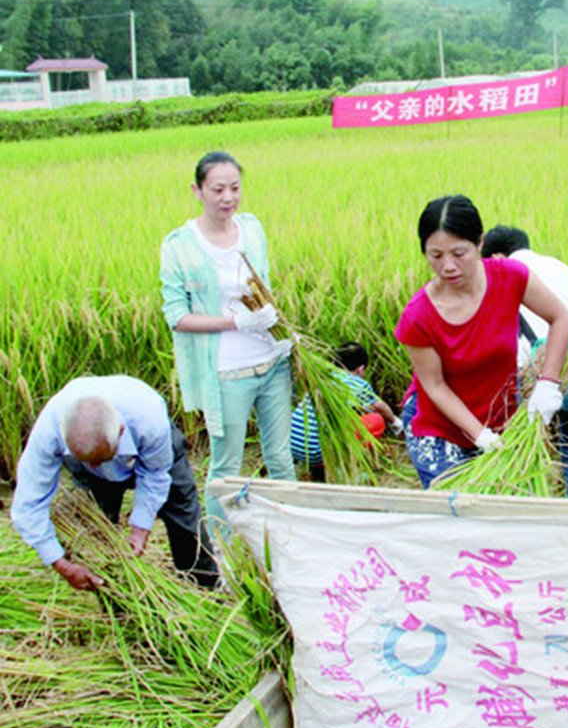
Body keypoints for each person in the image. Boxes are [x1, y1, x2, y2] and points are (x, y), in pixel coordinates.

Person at [160, 151, 296, 536]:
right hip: (227, 372)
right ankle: (220, 551)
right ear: (197, 191)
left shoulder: (252, 229)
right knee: (226, 467)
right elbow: (177, 316)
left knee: (281, 459)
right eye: (218, 189)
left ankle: (286, 536)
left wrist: (281, 330)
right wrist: (236, 322)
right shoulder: (180, 246)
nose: (228, 197)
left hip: (272, 363)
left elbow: (263, 288)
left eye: (234, 187)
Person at [395, 194, 568, 489]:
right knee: (461, 515)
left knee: (506, 508)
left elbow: (560, 318)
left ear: (480, 243)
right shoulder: (418, 316)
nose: (448, 266)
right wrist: (480, 436)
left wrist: (548, 383)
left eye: (459, 253)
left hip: (500, 416)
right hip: (440, 429)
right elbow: (434, 386)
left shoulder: (510, 278)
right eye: (436, 256)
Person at [11, 375, 219, 591]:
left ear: (120, 431)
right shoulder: (48, 432)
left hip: (153, 455)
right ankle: (115, 599)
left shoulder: (148, 418)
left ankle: (205, 590)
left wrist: (140, 529)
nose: (93, 466)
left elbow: (155, 474)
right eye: (87, 461)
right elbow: (28, 506)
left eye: (100, 459)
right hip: (92, 461)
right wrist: (61, 563)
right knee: (97, 537)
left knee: (184, 521)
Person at [481, 225, 568, 499]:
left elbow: (504, 335)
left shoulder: (503, 274)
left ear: (496, 256)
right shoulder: (559, 266)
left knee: (526, 451)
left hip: (534, 374)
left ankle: (531, 514)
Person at [290, 341, 404, 481]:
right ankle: (341, 470)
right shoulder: (359, 384)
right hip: (318, 452)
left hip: (293, 444)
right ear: (361, 369)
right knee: (376, 421)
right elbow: (380, 407)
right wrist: (396, 423)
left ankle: (315, 468)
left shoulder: (324, 378)